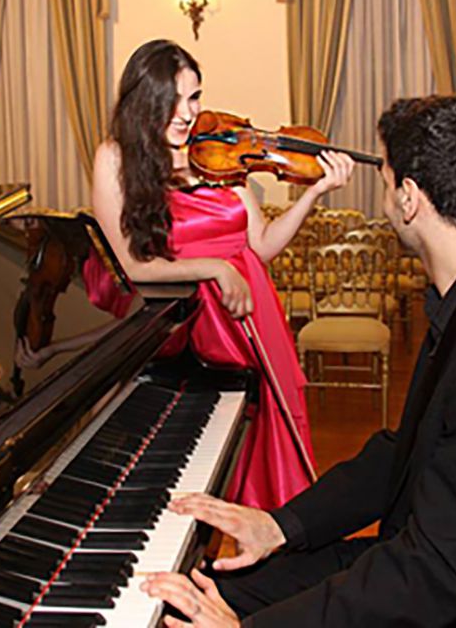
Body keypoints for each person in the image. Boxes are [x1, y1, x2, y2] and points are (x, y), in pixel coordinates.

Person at [141, 95, 456, 627]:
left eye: (386, 180)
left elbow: (437, 574)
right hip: (425, 554)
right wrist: (282, 525)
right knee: (205, 588)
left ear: (409, 199)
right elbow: (406, 452)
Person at [91, 39, 355, 510]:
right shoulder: (115, 158)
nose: (188, 112)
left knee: (273, 442)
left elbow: (262, 245)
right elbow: (132, 265)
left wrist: (313, 194)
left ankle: (271, 543)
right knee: (198, 456)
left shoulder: (217, 153)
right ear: (143, 98)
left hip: (251, 310)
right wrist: (214, 269)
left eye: (194, 97)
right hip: (192, 323)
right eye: (173, 98)